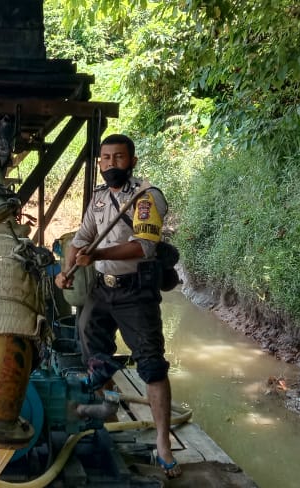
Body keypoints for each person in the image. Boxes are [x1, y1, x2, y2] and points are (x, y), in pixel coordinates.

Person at [54, 134, 180, 479]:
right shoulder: (98, 199)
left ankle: (163, 443)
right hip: (101, 289)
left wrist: (98, 254)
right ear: (100, 162)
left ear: (132, 161)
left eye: (119, 157)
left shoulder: (146, 197)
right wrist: (66, 271)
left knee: (152, 366)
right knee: (93, 355)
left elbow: (144, 247)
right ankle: (106, 416)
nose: (111, 164)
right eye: (106, 158)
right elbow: (81, 239)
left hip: (136, 291)